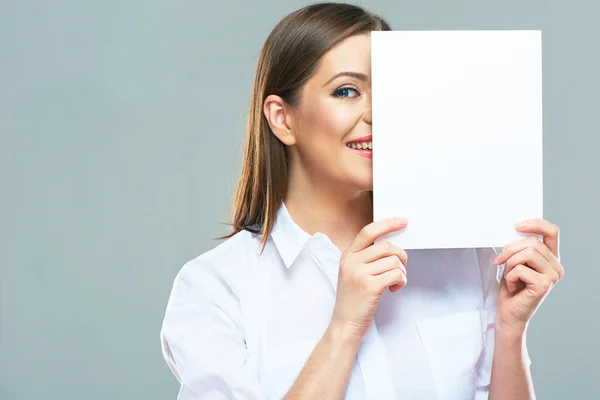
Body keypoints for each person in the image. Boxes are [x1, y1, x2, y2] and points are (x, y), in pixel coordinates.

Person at [160, 3, 564, 399]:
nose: (377, 113)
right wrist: (344, 326)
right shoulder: (215, 289)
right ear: (282, 119)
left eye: (390, 92)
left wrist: (511, 330)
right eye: (347, 91)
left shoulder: (464, 258)